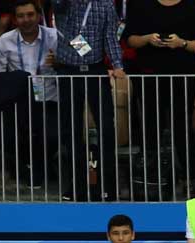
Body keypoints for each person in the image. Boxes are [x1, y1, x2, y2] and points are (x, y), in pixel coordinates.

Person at [122, 0, 195, 199]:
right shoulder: (141, 5)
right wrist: (147, 39)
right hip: (149, 77)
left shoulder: (192, 6)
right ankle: (150, 180)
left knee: (182, 128)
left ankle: (187, 179)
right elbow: (129, 39)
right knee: (150, 126)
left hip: (183, 78)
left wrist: (181, 43)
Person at [51, 0, 125, 202]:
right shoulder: (65, 3)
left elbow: (110, 37)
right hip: (68, 71)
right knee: (70, 130)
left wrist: (117, 64)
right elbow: (57, 8)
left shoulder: (106, 5)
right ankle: (76, 185)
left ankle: (107, 185)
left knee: (106, 128)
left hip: (96, 69)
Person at [0, 0, 59, 188]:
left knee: (53, 134)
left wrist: (61, 61)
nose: (26, 20)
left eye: (30, 15)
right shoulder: (5, 40)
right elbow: (0, 75)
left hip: (50, 99)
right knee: (6, 134)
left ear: (38, 16)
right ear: (14, 18)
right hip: (19, 103)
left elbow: (78, 56)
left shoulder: (55, 36)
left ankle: (39, 165)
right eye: (21, 16)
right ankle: (31, 165)